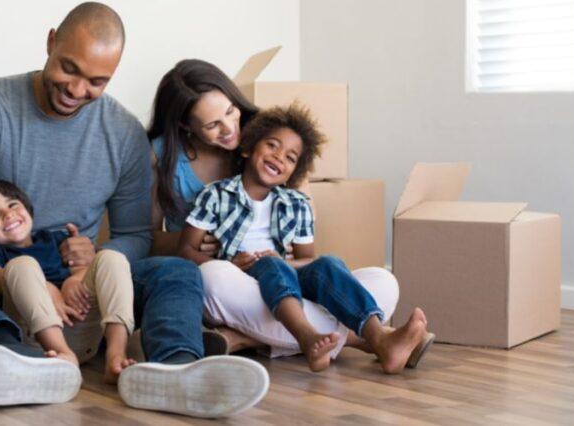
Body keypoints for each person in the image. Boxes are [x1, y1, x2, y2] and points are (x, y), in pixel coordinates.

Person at [0, 2, 268, 418]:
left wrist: (91, 262)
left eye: (97, 81)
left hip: (81, 292)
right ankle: (6, 350)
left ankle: (174, 369)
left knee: (177, 270)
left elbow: (136, 233)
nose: (77, 89)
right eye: (69, 68)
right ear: (50, 42)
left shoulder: (123, 134)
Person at [147, 60, 414, 362]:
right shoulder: (180, 168)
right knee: (213, 277)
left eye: (231, 111)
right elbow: (154, 240)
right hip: (229, 280)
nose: (230, 128)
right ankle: (362, 338)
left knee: (383, 282)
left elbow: (305, 249)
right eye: (212, 125)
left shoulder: (271, 136)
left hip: (286, 278)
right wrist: (209, 248)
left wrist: (293, 262)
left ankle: (245, 339)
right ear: (185, 126)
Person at [178, 105, 436, 374]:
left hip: (287, 284)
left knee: (355, 272)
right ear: (247, 148)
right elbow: (185, 250)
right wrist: (231, 263)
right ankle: (315, 337)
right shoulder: (216, 195)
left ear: (294, 172)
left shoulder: (297, 204)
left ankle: (376, 337)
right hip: (242, 283)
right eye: (272, 145)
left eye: (290, 157)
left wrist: (287, 264)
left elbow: (307, 259)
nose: (279, 157)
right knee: (220, 274)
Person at [0, 178, 137, 384]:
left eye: (12, 204)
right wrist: (46, 288)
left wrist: (73, 281)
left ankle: (116, 355)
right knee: (22, 265)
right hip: (37, 338)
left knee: (112, 258)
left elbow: (83, 269)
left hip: (81, 325)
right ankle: (63, 355)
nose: (8, 214)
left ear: (29, 211)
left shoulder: (53, 239)